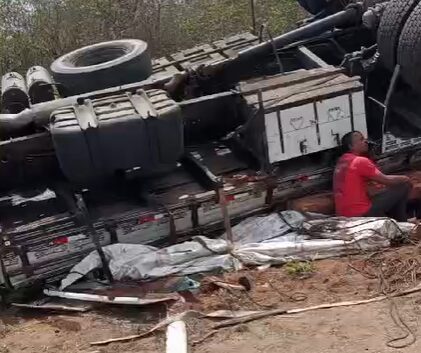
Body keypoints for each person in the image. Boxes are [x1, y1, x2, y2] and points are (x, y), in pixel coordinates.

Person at [333, 131, 411, 221]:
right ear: (351, 146)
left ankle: (398, 221)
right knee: (404, 185)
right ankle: (402, 221)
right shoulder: (359, 161)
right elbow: (386, 180)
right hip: (361, 214)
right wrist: (406, 178)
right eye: (361, 139)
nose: (366, 141)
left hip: (343, 216)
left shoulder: (341, 162)